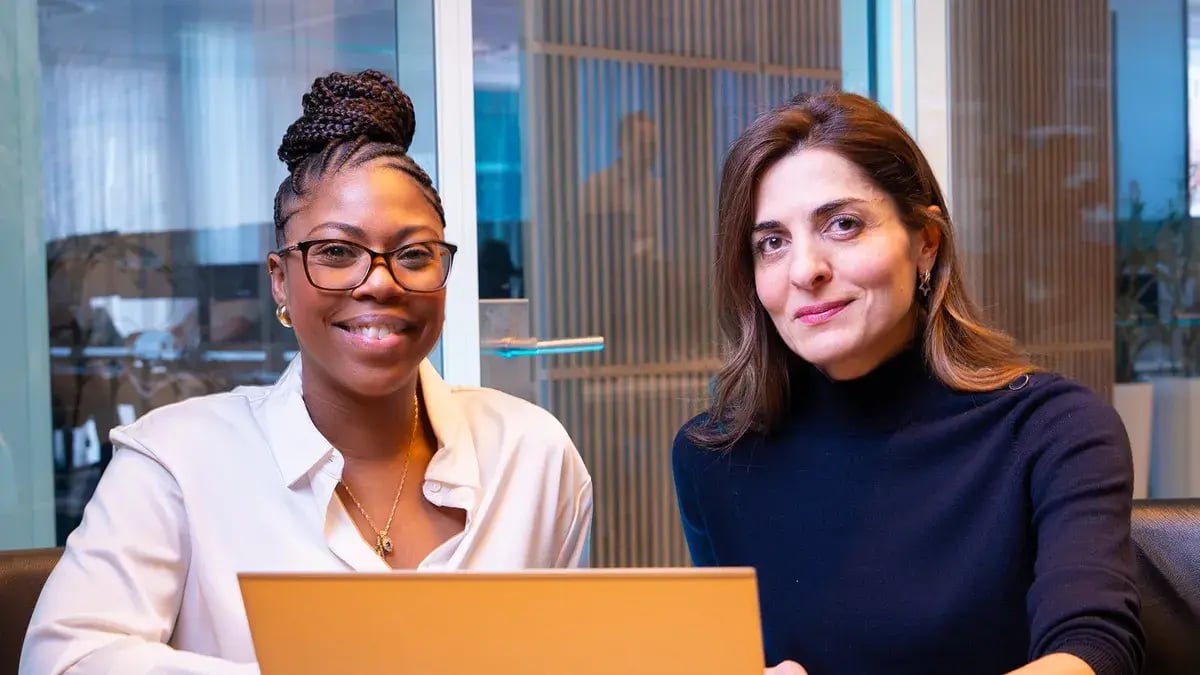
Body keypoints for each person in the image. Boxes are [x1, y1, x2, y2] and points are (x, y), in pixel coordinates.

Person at [21, 70, 593, 674]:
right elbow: (64, 660)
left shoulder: (533, 454)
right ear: (279, 281)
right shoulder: (175, 462)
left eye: (414, 255)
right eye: (336, 252)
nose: (379, 281)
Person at [672, 91, 1143, 675]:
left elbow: (1094, 651)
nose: (804, 269)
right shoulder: (712, 457)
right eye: (772, 242)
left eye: (842, 224)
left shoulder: (1054, 429)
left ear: (926, 243)